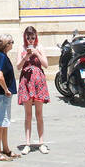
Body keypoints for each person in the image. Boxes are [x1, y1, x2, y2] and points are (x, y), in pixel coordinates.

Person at [16, 26, 50, 155]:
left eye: (33, 37)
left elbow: (45, 64)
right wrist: (25, 57)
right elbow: (18, 66)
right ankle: (27, 143)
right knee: (28, 115)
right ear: (25, 37)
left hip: (38, 82)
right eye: (28, 37)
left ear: (36, 37)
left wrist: (36, 53)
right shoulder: (21, 48)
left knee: (39, 114)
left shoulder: (40, 48)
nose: (30, 40)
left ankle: (41, 142)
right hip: (26, 82)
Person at [0, 32, 17, 161]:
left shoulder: (0, 54)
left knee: (5, 122)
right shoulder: (1, 56)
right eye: (12, 42)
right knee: (0, 122)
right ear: (7, 45)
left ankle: (5, 148)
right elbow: (0, 75)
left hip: (2, 93)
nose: (13, 44)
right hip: (2, 94)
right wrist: (6, 89)